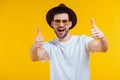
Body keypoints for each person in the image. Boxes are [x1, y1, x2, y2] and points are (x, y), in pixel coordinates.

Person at [30, 4, 108, 80]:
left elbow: (102, 48)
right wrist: (35, 46)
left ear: (70, 24)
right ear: (52, 24)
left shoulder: (82, 41)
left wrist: (102, 38)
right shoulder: (49, 46)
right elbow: (34, 57)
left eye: (65, 21)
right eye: (57, 21)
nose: (61, 24)